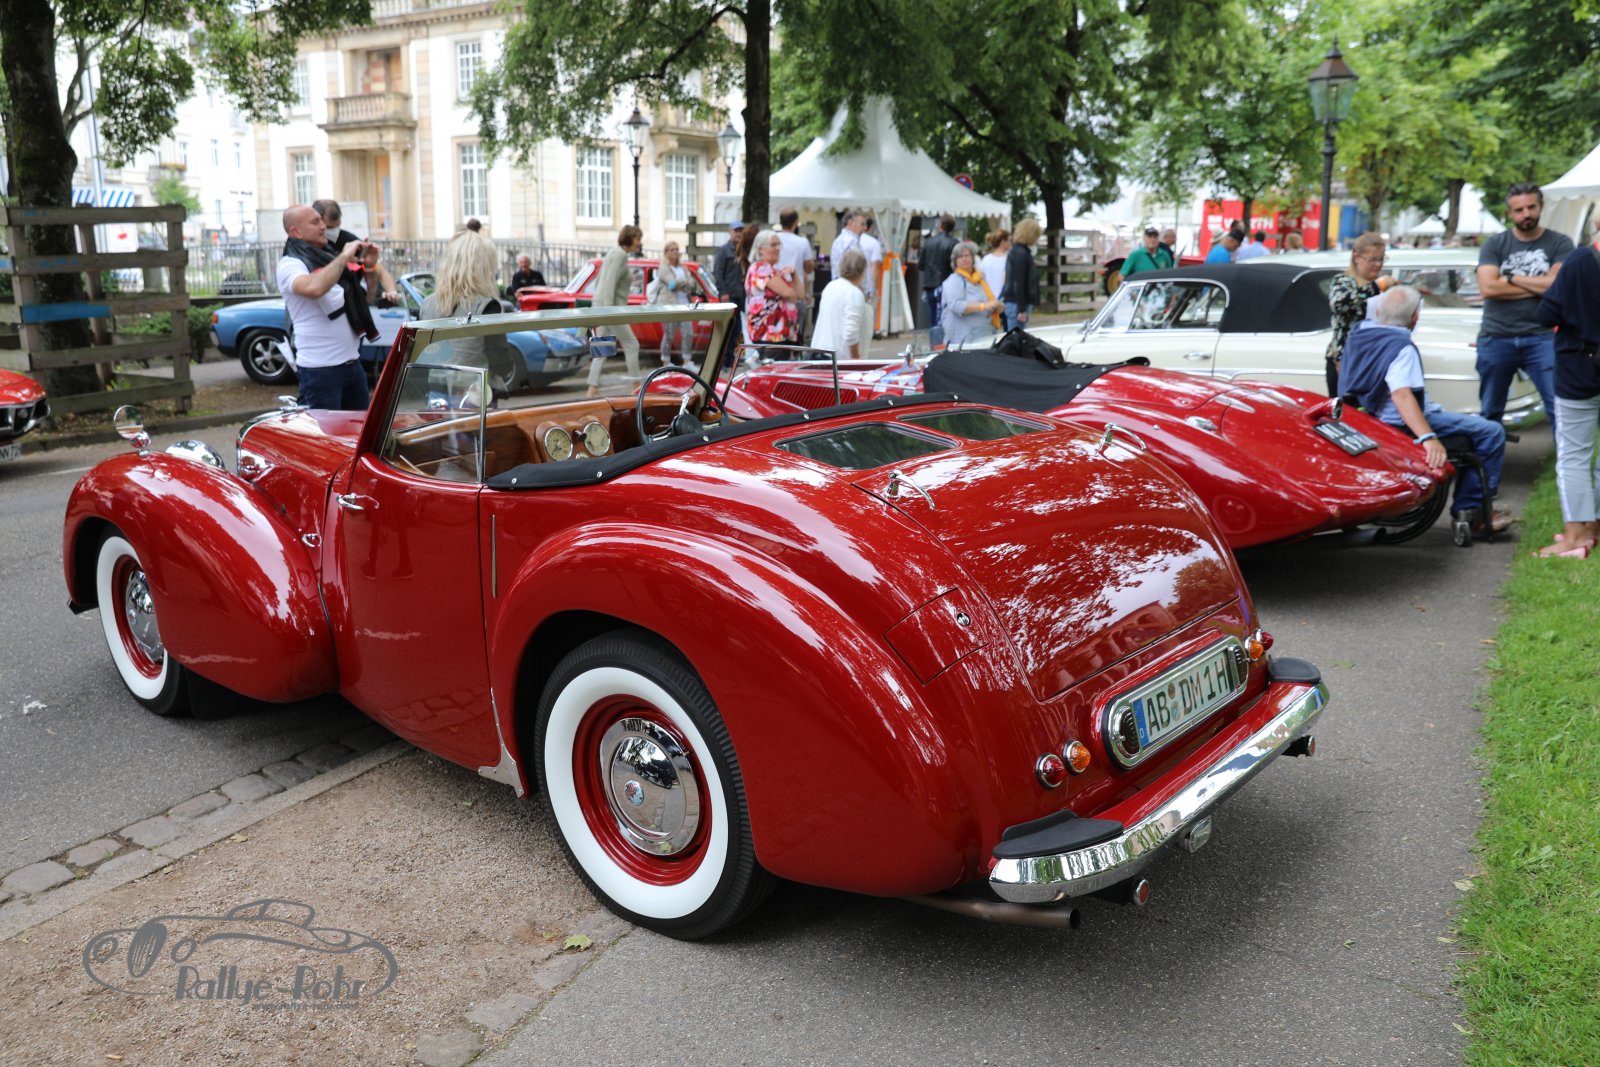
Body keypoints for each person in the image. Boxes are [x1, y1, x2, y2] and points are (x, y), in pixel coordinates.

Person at [1339, 286, 1511, 537]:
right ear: (1415, 317)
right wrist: (1428, 438)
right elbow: (1401, 395)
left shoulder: (1359, 335)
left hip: (1368, 419)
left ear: (1378, 312)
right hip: (1400, 423)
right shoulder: (1401, 347)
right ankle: (1472, 511)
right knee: (1492, 432)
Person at [1475, 182, 1573, 424]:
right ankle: (1490, 451)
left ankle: (1565, 452)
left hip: (1542, 336)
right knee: (1490, 412)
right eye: (1519, 210)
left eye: (1531, 207)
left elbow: (1559, 288)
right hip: (1496, 337)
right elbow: (1488, 288)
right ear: (1510, 213)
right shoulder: (1494, 244)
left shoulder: (1560, 243)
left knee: (1559, 409)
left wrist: (1510, 278)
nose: (1526, 214)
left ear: (1541, 207)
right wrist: (1542, 284)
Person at [1534, 246, 1600, 557]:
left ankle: (1574, 538)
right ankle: (1593, 528)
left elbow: (1546, 314)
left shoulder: (1580, 260)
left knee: (1574, 455)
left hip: (1579, 368)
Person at [276, 204, 373, 410]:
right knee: (324, 431)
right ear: (296, 232)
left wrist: (370, 267)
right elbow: (314, 288)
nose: (323, 226)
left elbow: (368, 299)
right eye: (315, 222)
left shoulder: (329, 258)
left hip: (353, 363)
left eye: (321, 220)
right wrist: (343, 257)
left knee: (360, 429)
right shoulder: (290, 264)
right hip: (320, 370)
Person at [419, 229, 513, 382]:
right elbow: (502, 365)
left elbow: (420, 359)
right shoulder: (486, 307)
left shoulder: (426, 305)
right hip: (475, 392)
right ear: (483, 268)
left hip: (435, 390)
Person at [1325, 232, 1393, 396]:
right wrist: (1375, 287)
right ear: (1356, 257)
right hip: (1345, 362)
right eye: (1372, 260)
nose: (1378, 265)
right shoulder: (1344, 282)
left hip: (1374, 360)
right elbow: (1339, 304)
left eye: (1381, 259)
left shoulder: (1384, 286)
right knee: (1347, 409)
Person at [587, 224, 643, 397]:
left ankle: (592, 387)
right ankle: (637, 386)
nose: (639, 242)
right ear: (630, 238)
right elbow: (610, 282)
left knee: (602, 345)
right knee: (632, 345)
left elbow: (601, 281)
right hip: (611, 308)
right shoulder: (620, 255)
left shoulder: (614, 252)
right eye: (637, 238)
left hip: (604, 306)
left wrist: (603, 307)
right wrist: (609, 310)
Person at [313, 198, 398, 304]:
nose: (334, 231)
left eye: (337, 226)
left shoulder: (348, 240)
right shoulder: (307, 246)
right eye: (329, 228)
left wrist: (391, 291)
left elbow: (379, 270)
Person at [940, 240, 1003, 346]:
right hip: (963, 339)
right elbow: (956, 305)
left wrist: (997, 307)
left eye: (967, 255)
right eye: (960, 257)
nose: (964, 259)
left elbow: (988, 301)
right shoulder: (953, 280)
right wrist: (984, 306)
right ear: (955, 261)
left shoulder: (980, 279)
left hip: (983, 334)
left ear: (973, 258)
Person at [744, 230, 801, 343]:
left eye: (779, 245)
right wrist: (792, 294)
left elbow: (800, 295)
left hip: (780, 335)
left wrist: (794, 275)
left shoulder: (774, 271)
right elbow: (790, 294)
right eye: (773, 245)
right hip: (769, 336)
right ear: (760, 249)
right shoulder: (760, 269)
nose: (778, 248)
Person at [811, 248, 869, 360]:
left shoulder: (830, 286)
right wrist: (856, 358)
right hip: (836, 358)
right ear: (862, 271)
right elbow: (851, 333)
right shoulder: (854, 293)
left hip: (818, 350)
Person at [648, 240, 695, 369]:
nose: (675, 252)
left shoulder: (683, 268)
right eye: (672, 249)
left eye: (677, 249)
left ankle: (687, 362)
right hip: (670, 305)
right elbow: (671, 284)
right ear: (666, 253)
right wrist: (684, 282)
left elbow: (692, 284)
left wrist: (681, 282)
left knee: (688, 333)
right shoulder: (664, 268)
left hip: (685, 305)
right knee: (669, 334)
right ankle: (666, 362)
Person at [776, 208, 816, 342]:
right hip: (796, 290)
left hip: (776, 289)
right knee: (796, 334)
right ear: (796, 222)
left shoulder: (774, 239)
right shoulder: (802, 242)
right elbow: (808, 267)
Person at [711, 220, 747, 366]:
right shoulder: (723, 251)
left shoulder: (743, 251)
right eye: (736, 231)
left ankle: (730, 358)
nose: (738, 234)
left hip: (740, 296)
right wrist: (723, 292)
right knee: (728, 329)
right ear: (730, 232)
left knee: (737, 329)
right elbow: (717, 273)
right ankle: (725, 360)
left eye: (740, 231)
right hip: (729, 296)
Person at [1000, 219, 1041, 331]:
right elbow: (1019, 282)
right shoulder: (1021, 254)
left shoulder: (1019, 252)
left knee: (1018, 335)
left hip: (1016, 302)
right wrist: (1021, 309)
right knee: (1016, 337)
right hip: (1017, 303)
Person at [919, 214, 958, 332]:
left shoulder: (928, 242)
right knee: (947, 317)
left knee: (933, 318)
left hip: (930, 284)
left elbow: (921, 265)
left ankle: (935, 340)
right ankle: (944, 340)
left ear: (940, 225)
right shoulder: (954, 243)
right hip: (947, 284)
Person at [978, 229, 1009, 300]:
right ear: (1003, 241)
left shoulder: (986, 259)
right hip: (1004, 298)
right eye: (1008, 240)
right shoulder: (1008, 259)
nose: (1010, 243)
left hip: (988, 298)